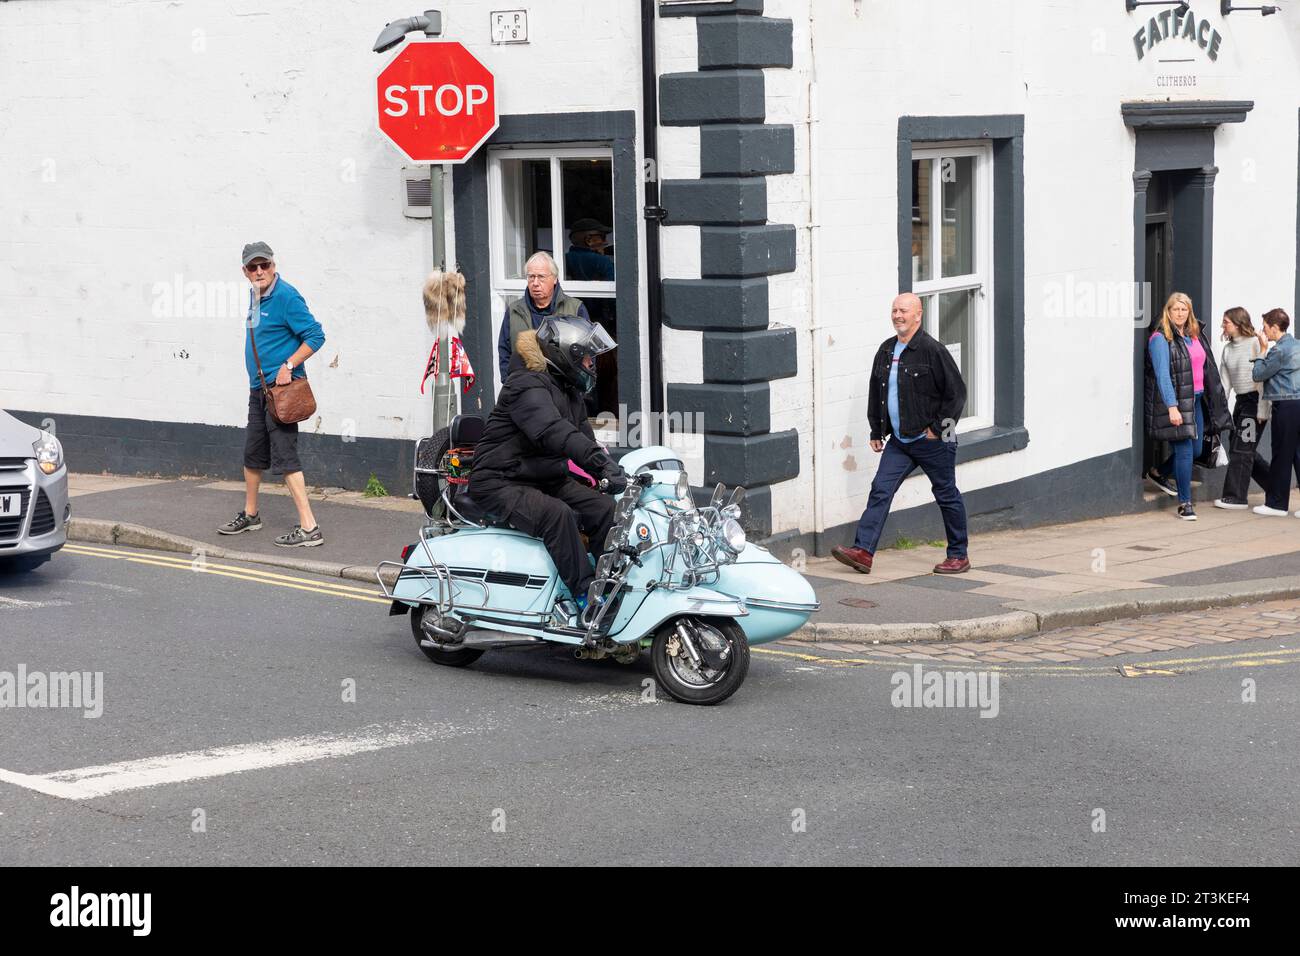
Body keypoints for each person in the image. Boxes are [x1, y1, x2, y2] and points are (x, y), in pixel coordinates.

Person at [469, 314, 628, 612]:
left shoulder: (569, 389)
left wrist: (610, 469)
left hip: (544, 478)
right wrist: (598, 464)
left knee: (603, 508)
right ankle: (586, 596)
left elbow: (584, 439)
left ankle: (609, 586)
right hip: (500, 481)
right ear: (566, 354)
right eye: (587, 359)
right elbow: (554, 431)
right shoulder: (525, 385)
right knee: (558, 514)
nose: (591, 365)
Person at [831, 293, 971, 576]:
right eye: (894, 310)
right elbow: (877, 393)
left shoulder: (933, 351)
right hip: (900, 440)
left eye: (903, 310)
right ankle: (863, 552)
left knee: (946, 494)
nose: (897, 315)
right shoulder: (886, 351)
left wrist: (936, 429)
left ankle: (959, 555)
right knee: (880, 490)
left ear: (918, 315)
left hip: (933, 439)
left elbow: (957, 393)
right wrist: (876, 429)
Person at [218, 242, 327, 547]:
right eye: (253, 267)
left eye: (264, 265)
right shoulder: (255, 296)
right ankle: (251, 515)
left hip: (281, 392)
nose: (259, 271)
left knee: (285, 457)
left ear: (273, 266)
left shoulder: (286, 296)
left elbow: (316, 336)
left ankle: (309, 526)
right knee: (253, 454)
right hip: (259, 390)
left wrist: (289, 364)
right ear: (245, 272)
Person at [1143, 292, 1231, 521]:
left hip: (1197, 399)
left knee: (1198, 449)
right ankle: (1185, 503)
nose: (1180, 313)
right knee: (1184, 451)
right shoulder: (1160, 338)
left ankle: (1159, 472)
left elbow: (1207, 367)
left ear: (1189, 312)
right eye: (1176, 309)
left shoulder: (1194, 335)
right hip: (1177, 402)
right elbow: (1162, 376)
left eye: (1184, 309)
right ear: (1168, 311)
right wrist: (1172, 406)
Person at [496, 251, 592, 382]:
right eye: (531, 277)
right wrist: (510, 384)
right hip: (525, 392)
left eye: (541, 277)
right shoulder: (514, 310)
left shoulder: (575, 309)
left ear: (554, 279)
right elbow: (504, 352)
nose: (535, 283)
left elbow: (588, 354)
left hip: (565, 392)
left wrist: (578, 391)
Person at [1214, 307, 1271, 509]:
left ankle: (1235, 497)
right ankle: (1275, 487)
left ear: (1238, 323)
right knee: (1246, 449)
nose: (1223, 325)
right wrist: (1219, 411)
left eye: (1226, 322)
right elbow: (1225, 384)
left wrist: (1263, 410)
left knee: (1242, 449)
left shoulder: (1256, 343)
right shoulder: (1228, 350)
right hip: (1241, 403)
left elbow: (1264, 379)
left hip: (1256, 402)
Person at [1249, 308, 1300, 517]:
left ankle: (1276, 504)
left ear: (1275, 327)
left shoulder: (1278, 350)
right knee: (1298, 453)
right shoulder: (1297, 345)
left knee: (1281, 454)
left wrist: (1262, 349)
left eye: (1265, 327)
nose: (1264, 331)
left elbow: (1258, 374)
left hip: (1285, 405)